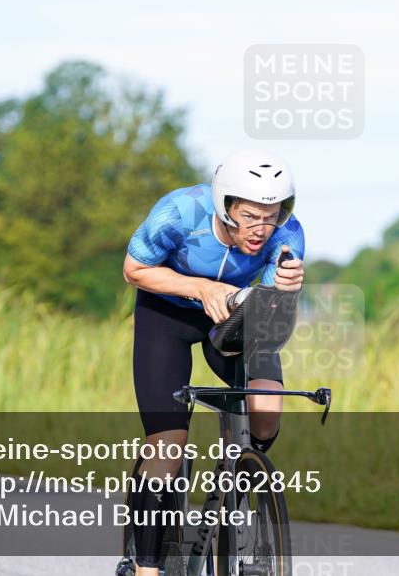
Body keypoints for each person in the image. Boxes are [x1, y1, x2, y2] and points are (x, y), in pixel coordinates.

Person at [121, 148, 305, 575]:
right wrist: (200, 288)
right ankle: (147, 566)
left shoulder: (287, 232)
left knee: (266, 412)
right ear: (225, 206)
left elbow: (278, 295)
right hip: (167, 315)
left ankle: (241, 492)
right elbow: (134, 269)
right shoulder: (180, 212)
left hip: (236, 316)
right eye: (249, 216)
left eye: (272, 214)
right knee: (167, 446)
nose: (262, 228)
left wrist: (287, 284)